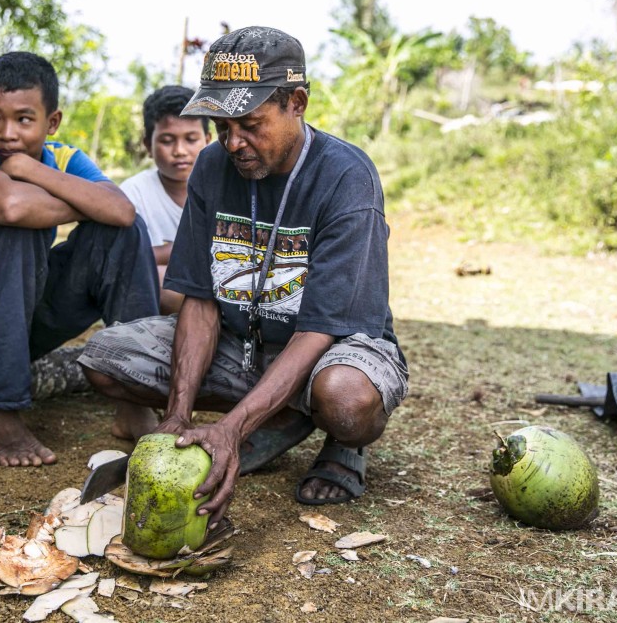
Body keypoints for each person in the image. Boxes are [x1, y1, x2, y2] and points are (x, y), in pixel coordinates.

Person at [78, 26, 409, 521]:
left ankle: (337, 442)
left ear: (296, 102)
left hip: (331, 347)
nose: (233, 142)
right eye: (221, 126)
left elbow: (321, 328)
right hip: (245, 344)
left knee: (343, 399)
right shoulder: (212, 167)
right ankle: (277, 417)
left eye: (250, 124)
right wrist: (177, 414)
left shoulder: (346, 177)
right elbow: (201, 300)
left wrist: (231, 430)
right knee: (104, 358)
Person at [0, 51, 160, 467]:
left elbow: (121, 212)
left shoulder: (64, 158)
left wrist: (32, 171)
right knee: (12, 225)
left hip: (15, 315)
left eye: (24, 120)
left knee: (122, 234)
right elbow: (10, 207)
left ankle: (136, 398)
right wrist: (82, 200)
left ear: (53, 122)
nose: (6, 133)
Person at [120, 85, 211, 314]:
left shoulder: (224, 187)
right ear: (147, 145)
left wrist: (171, 251)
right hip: (165, 300)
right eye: (167, 140)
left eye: (191, 139)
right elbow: (123, 259)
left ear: (208, 140)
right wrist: (186, 250)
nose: (180, 150)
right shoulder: (134, 193)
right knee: (158, 280)